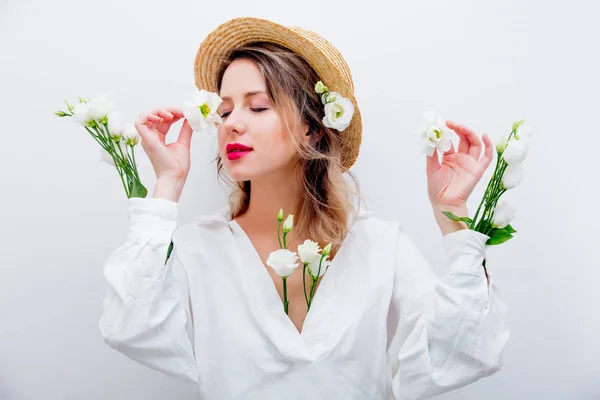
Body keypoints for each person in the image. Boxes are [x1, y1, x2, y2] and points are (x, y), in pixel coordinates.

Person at [98, 17, 509, 400]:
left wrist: (451, 214)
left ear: (312, 128)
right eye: (224, 111)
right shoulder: (195, 248)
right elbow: (131, 328)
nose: (231, 123)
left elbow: (465, 354)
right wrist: (167, 183)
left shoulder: (379, 245)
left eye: (257, 106)